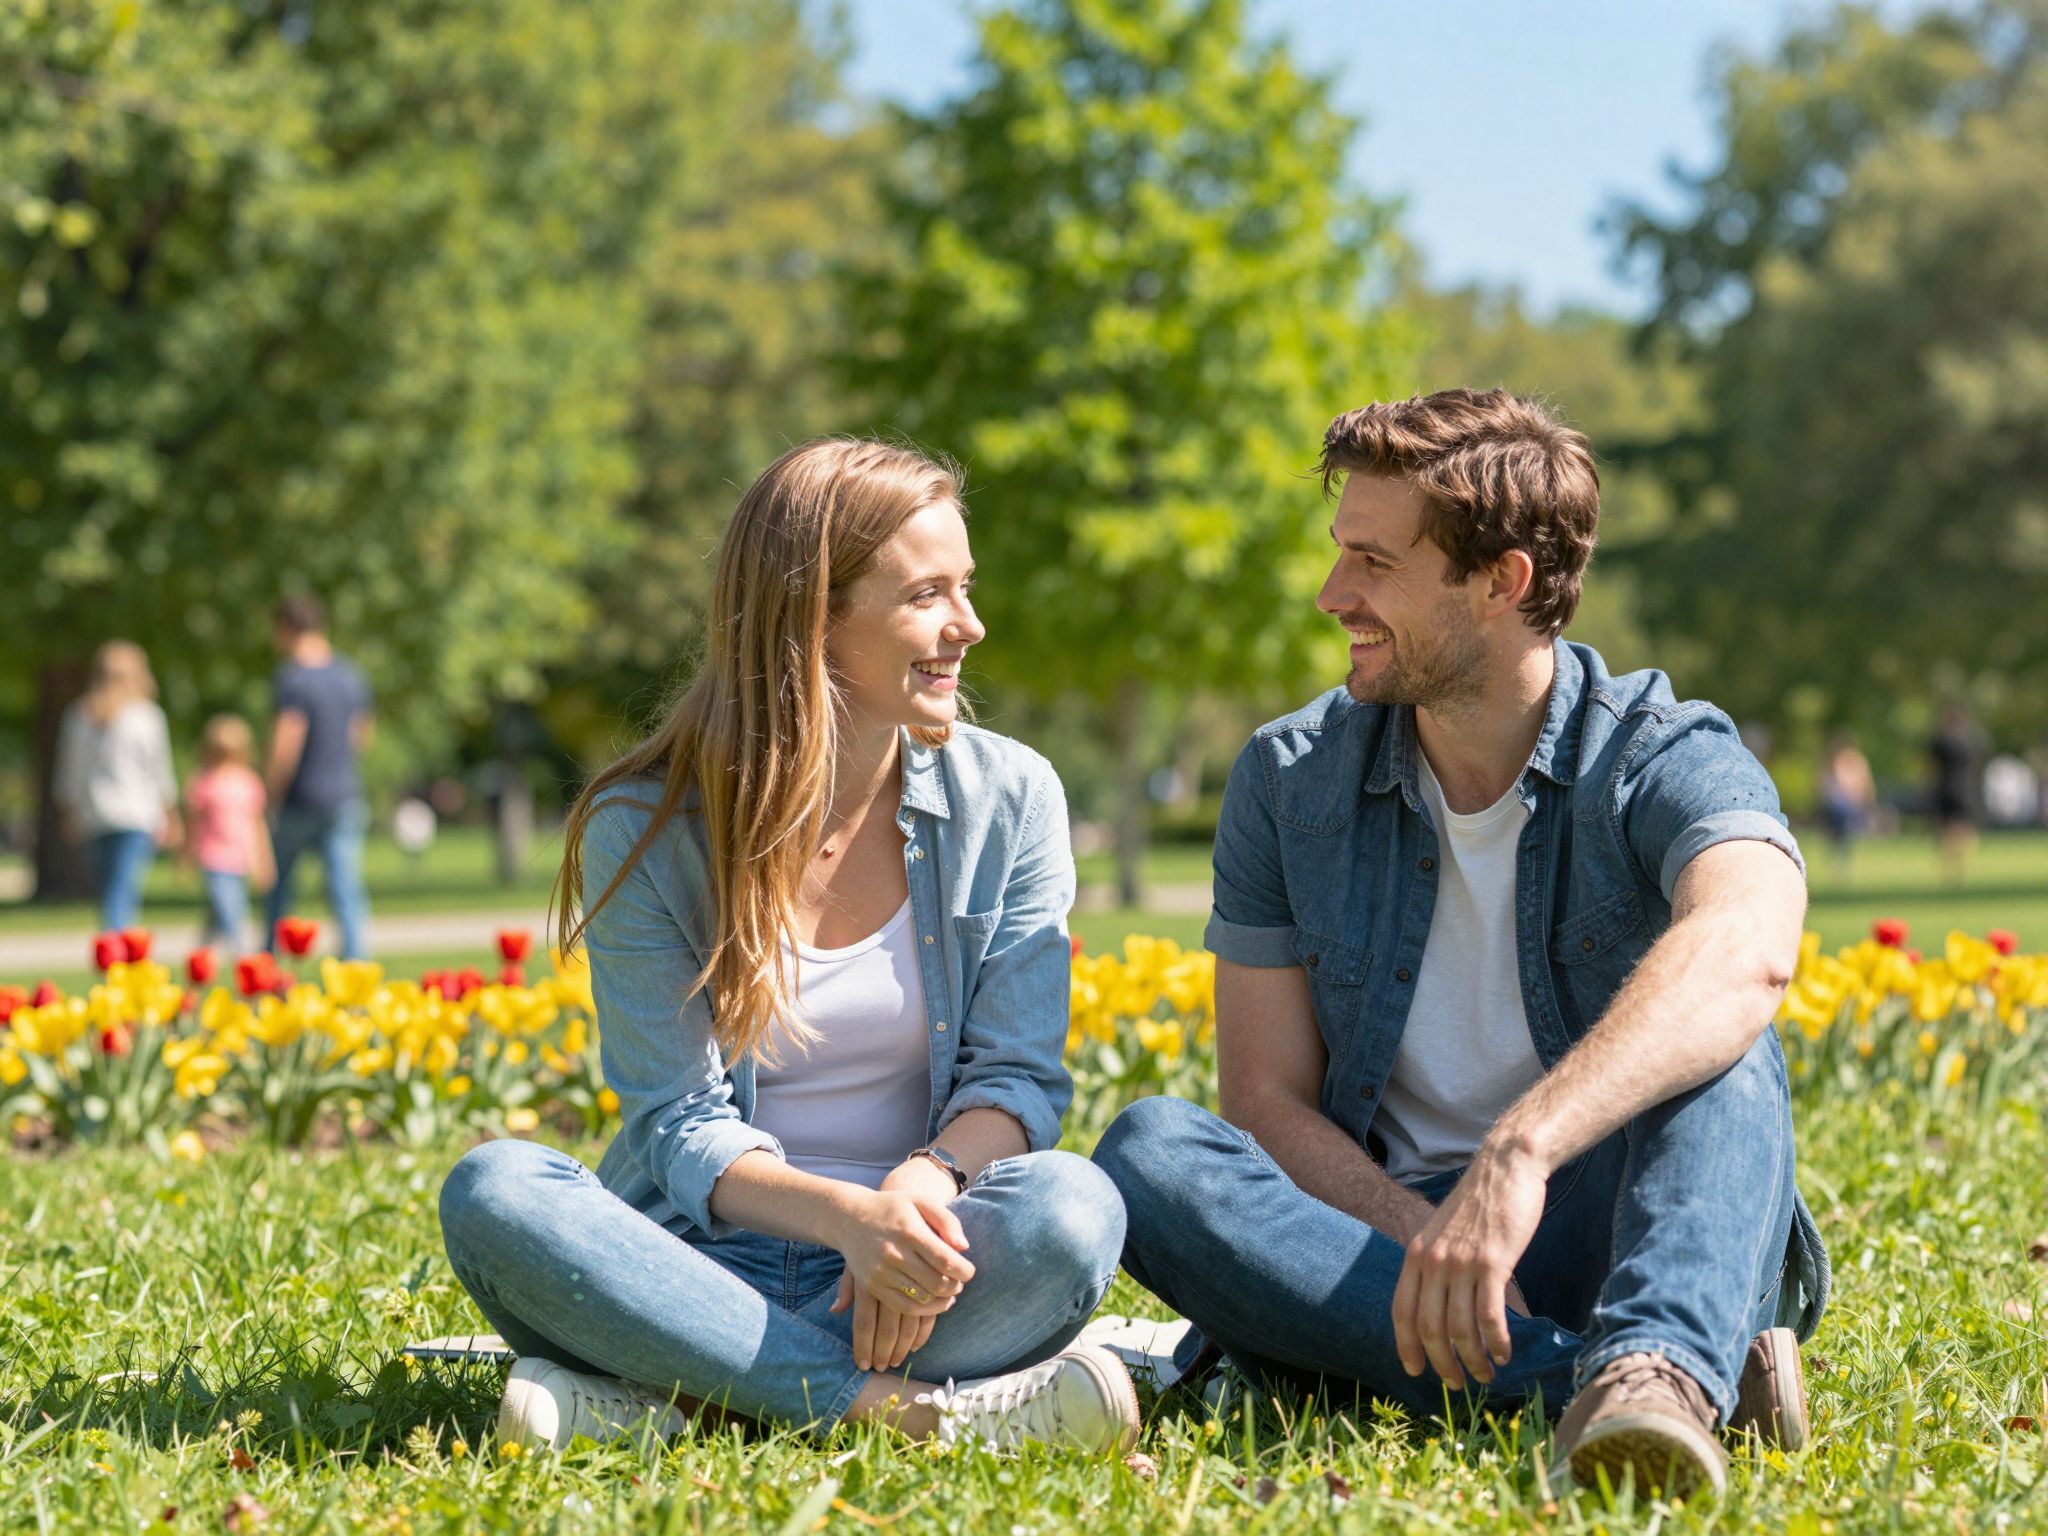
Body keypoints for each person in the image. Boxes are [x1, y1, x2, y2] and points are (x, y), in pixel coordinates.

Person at [1092, 389, 1830, 1500]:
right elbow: (1265, 1098)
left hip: (1612, 1219)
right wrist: (1427, 1233)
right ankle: (1630, 1382)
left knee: (1722, 1035)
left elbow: (1750, 943)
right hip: (1378, 1248)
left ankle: (1652, 1361)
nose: (1329, 595)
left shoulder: (1658, 749)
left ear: (1501, 583)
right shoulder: (1287, 777)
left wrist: (1517, 1155)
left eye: (1372, 565)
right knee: (1148, 1152)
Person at [438, 439, 1137, 1456]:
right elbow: (679, 1124)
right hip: (692, 1262)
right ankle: (889, 1411)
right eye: (926, 595)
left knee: (1073, 1210)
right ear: (813, 618)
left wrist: (913, 1193)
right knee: (493, 1189)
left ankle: (680, 1393)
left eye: (965, 589)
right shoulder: (646, 824)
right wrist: (842, 1217)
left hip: (925, 1262)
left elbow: (1016, 1079)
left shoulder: (1012, 798)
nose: (967, 627)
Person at [264, 594, 374, 959]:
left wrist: (270, 794)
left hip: (300, 798)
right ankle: (356, 966)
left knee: (278, 888)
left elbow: (286, 744)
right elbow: (361, 736)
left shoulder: (293, 679)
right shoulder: (350, 675)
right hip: (343, 795)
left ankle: (269, 966)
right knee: (345, 889)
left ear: (287, 628)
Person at [53, 641, 182, 931]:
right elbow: (159, 771)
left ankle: (115, 941)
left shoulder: (78, 715)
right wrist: (171, 814)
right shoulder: (146, 715)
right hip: (136, 814)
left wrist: (69, 810)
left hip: (94, 813)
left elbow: (70, 772)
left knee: (111, 887)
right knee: (122, 888)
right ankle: (119, 944)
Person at [184, 715, 275, 952]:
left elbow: (257, 825)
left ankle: (201, 954)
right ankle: (242, 956)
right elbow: (194, 824)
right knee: (231, 908)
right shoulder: (204, 782)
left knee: (218, 913)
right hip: (213, 856)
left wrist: (264, 860)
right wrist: (186, 854)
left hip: (240, 857)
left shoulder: (248, 783)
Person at [1926, 703, 1981, 886]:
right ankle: (1961, 866)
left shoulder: (1940, 741)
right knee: (1962, 829)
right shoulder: (1970, 741)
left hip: (1947, 789)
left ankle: (1951, 868)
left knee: (1948, 830)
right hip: (1965, 789)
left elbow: (1931, 766)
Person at [1816, 730, 1876, 873]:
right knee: (1839, 832)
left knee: (1843, 833)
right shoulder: (1831, 762)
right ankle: (1839, 858)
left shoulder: (1857, 761)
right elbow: (1824, 784)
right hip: (1836, 804)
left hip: (1850, 804)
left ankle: (1841, 858)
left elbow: (1865, 782)